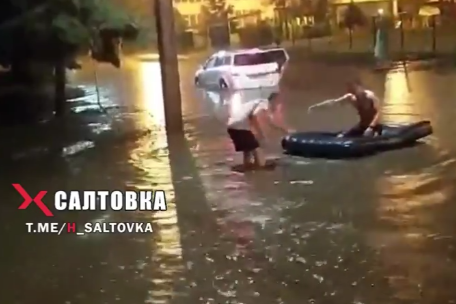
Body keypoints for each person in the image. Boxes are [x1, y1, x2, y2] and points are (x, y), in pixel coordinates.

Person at [225, 91, 293, 170]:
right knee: (256, 149)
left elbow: (270, 122)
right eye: (279, 102)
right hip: (240, 125)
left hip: (232, 125)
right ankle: (258, 170)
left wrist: (285, 130)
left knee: (247, 150)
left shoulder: (263, 106)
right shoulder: (263, 103)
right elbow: (254, 116)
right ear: (274, 101)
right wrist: (259, 133)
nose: (280, 105)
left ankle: (248, 170)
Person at [308, 80, 381, 137]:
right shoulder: (351, 97)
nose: (353, 90)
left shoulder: (370, 96)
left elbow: (379, 112)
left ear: (360, 86)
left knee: (367, 136)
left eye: (354, 87)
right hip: (362, 125)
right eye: (351, 88)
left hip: (374, 126)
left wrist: (371, 127)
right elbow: (333, 103)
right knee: (341, 136)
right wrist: (316, 107)